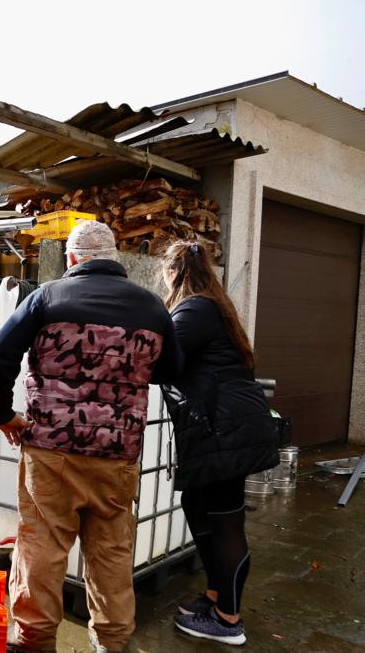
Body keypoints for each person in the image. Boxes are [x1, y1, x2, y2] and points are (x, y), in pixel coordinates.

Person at [0, 220, 181, 653]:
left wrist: (3, 414)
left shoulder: (47, 298)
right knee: (111, 549)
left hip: (51, 450)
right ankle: (111, 641)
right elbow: (170, 370)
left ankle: (34, 640)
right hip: (118, 451)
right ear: (115, 259)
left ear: (72, 259)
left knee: (42, 545)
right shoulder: (152, 307)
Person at [162, 241, 278, 647]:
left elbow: (163, 359)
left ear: (173, 271)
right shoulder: (212, 305)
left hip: (224, 430)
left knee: (226, 520)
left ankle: (229, 620)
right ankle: (215, 598)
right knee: (197, 505)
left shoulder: (194, 308)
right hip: (223, 426)